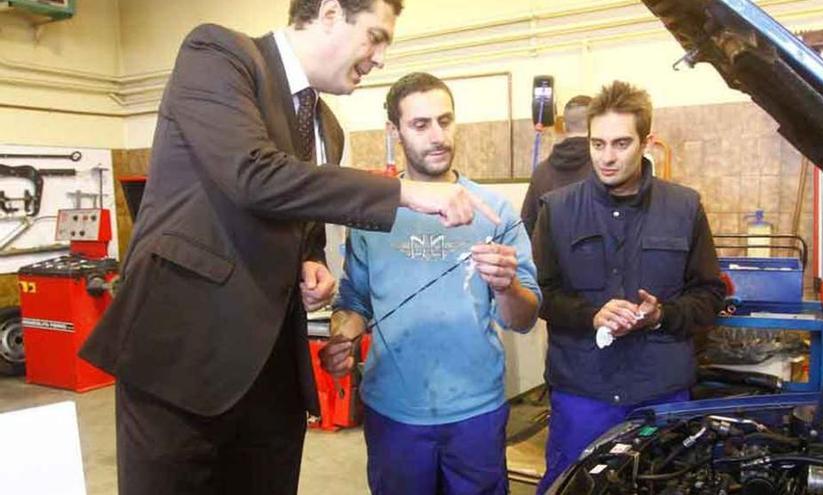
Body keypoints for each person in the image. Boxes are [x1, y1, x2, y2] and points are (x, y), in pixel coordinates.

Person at [79, 2, 501, 494]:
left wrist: (312, 258)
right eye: (375, 37)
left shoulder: (327, 126)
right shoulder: (219, 54)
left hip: (273, 375)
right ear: (328, 13)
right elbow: (252, 174)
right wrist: (406, 192)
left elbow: (301, 217)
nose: (381, 57)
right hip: (182, 356)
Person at [318, 72, 541, 495]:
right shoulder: (372, 213)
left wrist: (507, 286)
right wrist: (342, 338)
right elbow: (354, 301)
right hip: (394, 411)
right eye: (421, 125)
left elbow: (525, 319)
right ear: (395, 131)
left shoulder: (494, 211)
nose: (438, 136)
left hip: (475, 410)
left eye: (445, 120)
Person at [532, 80, 725, 493]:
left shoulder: (685, 207)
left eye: (620, 144)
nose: (606, 157)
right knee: (573, 485)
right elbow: (540, 292)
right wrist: (590, 314)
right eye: (597, 144)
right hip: (583, 391)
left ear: (647, 142)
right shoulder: (558, 209)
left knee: (666, 484)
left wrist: (662, 316)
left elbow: (709, 294)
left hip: (661, 390)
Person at [521, 95, 593, 237]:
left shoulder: (541, 172)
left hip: (548, 257)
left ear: (565, 127)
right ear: (596, 125)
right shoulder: (607, 170)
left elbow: (526, 227)